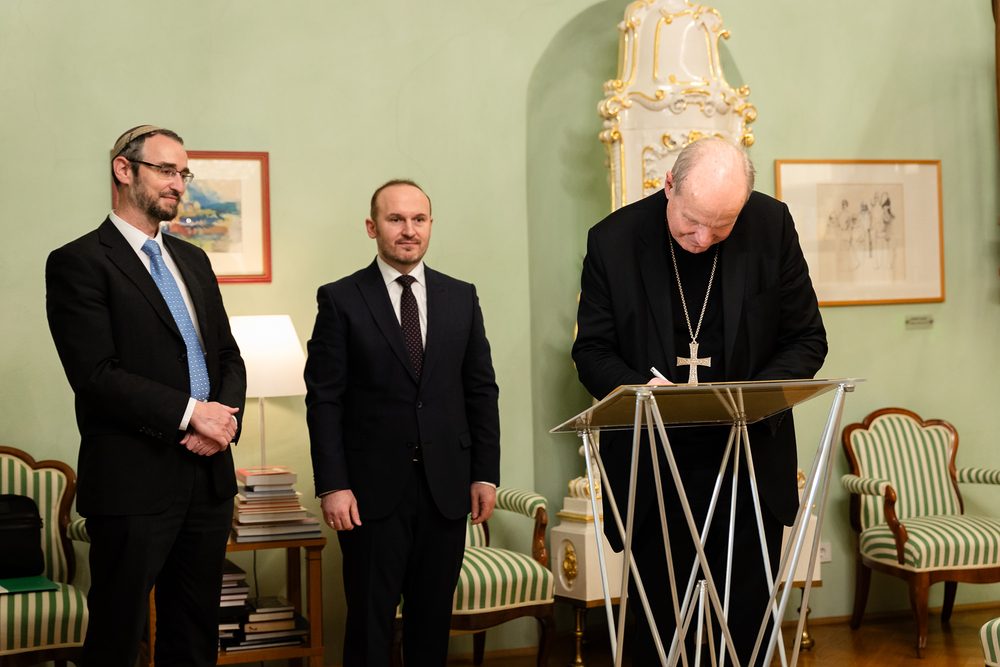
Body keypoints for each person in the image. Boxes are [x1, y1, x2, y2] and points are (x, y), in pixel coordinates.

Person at [572, 138, 827, 666]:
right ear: (669, 185)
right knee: (659, 634)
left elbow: (807, 339)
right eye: (691, 222)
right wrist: (643, 392)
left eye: (722, 225)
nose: (703, 239)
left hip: (748, 464)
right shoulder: (614, 240)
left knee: (746, 631)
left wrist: (749, 400)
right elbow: (591, 351)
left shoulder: (771, 225)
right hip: (654, 469)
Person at [46, 125, 246, 667]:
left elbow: (227, 356)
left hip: (208, 480)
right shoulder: (79, 262)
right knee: (117, 639)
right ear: (123, 169)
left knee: (196, 637)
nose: (178, 183)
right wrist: (192, 415)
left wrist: (222, 423)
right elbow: (96, 375)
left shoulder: (194, 260)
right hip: (133, 484)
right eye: (165, 170)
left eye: (184, 173)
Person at [305, 179, 501, 667]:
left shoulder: (461, 296)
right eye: (395, 219)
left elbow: (481, 391)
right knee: (369, 626)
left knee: (431, 626)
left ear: (431, 225)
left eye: (418, 219)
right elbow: (324, 400)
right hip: (369, 494)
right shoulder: (341, 299)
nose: (408, 230)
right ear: (372, 227)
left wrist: (484, 473)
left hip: (446, 489)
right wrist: (333, 485)